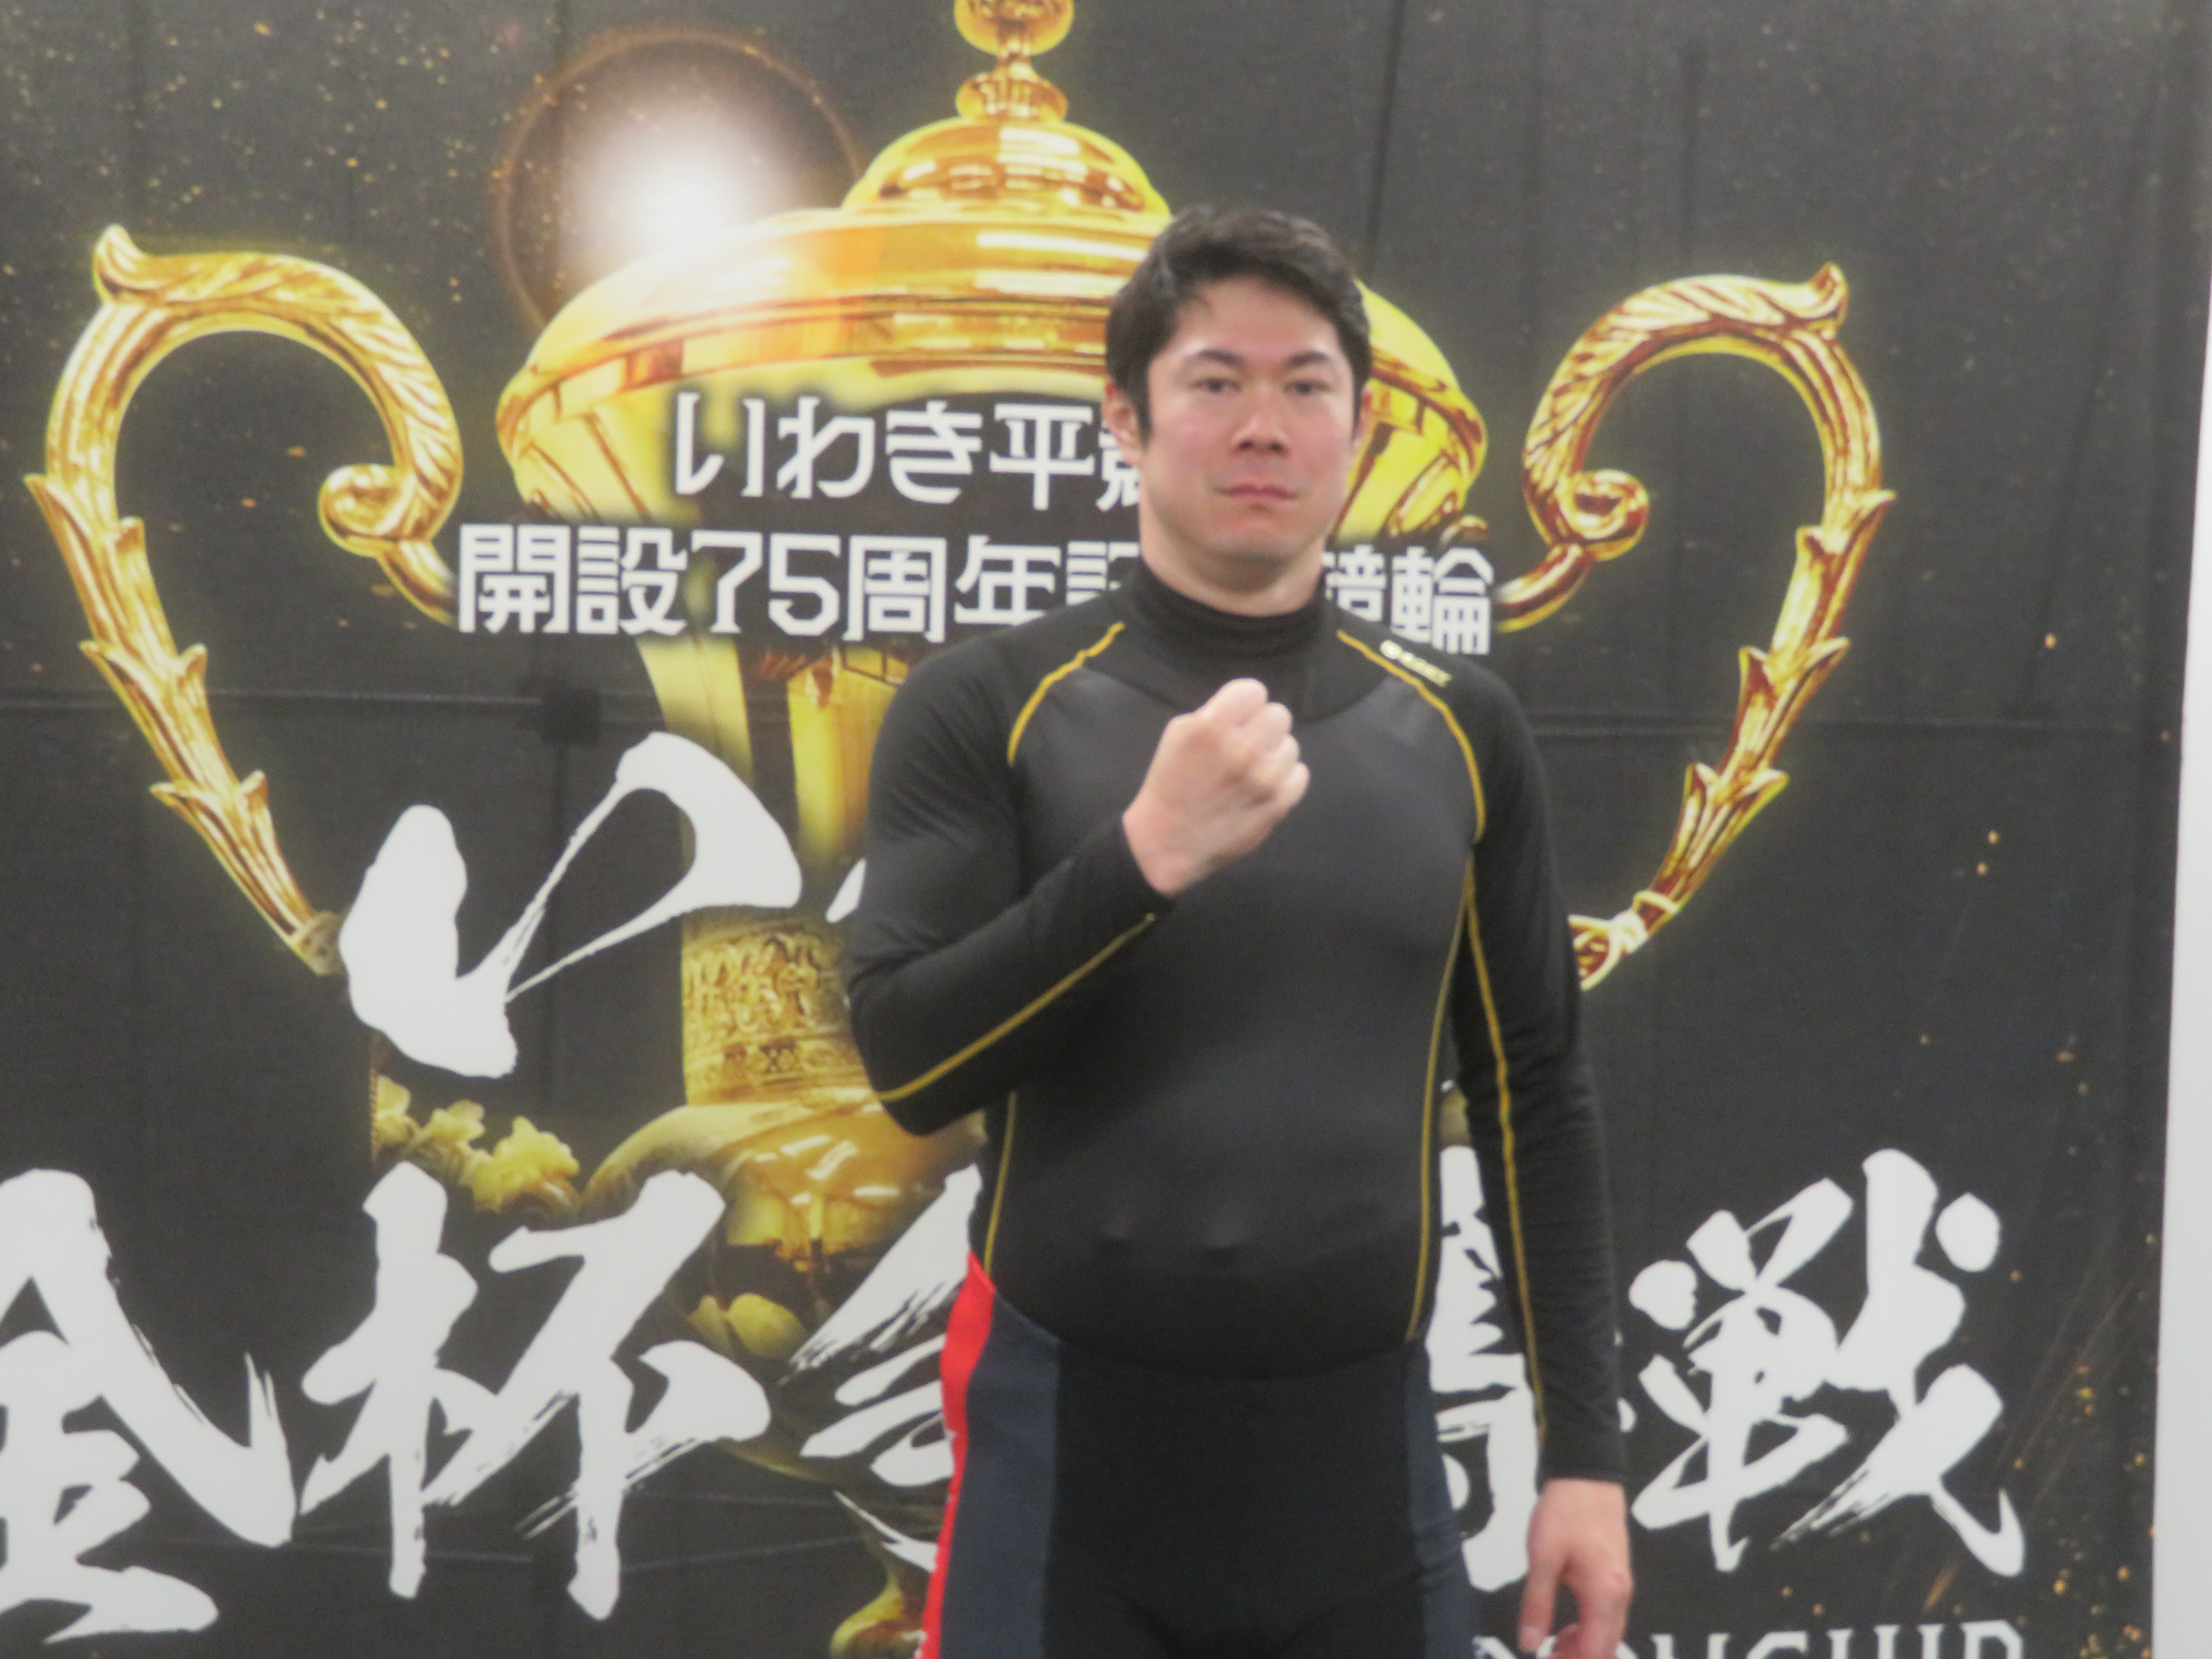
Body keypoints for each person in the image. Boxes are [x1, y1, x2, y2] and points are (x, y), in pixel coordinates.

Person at [844, 205, 1631, 1659]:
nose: (1264, 425)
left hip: (1360, 1469)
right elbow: (909, 1062)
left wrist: (1584, 1455)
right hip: (1067, 1456)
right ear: (1125, 419)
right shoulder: (990, 703)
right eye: (1215, 381)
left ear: (1362, 425)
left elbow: (1536, 1095)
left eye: (1305, 384)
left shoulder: (1462, 731)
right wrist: (1141, 861)